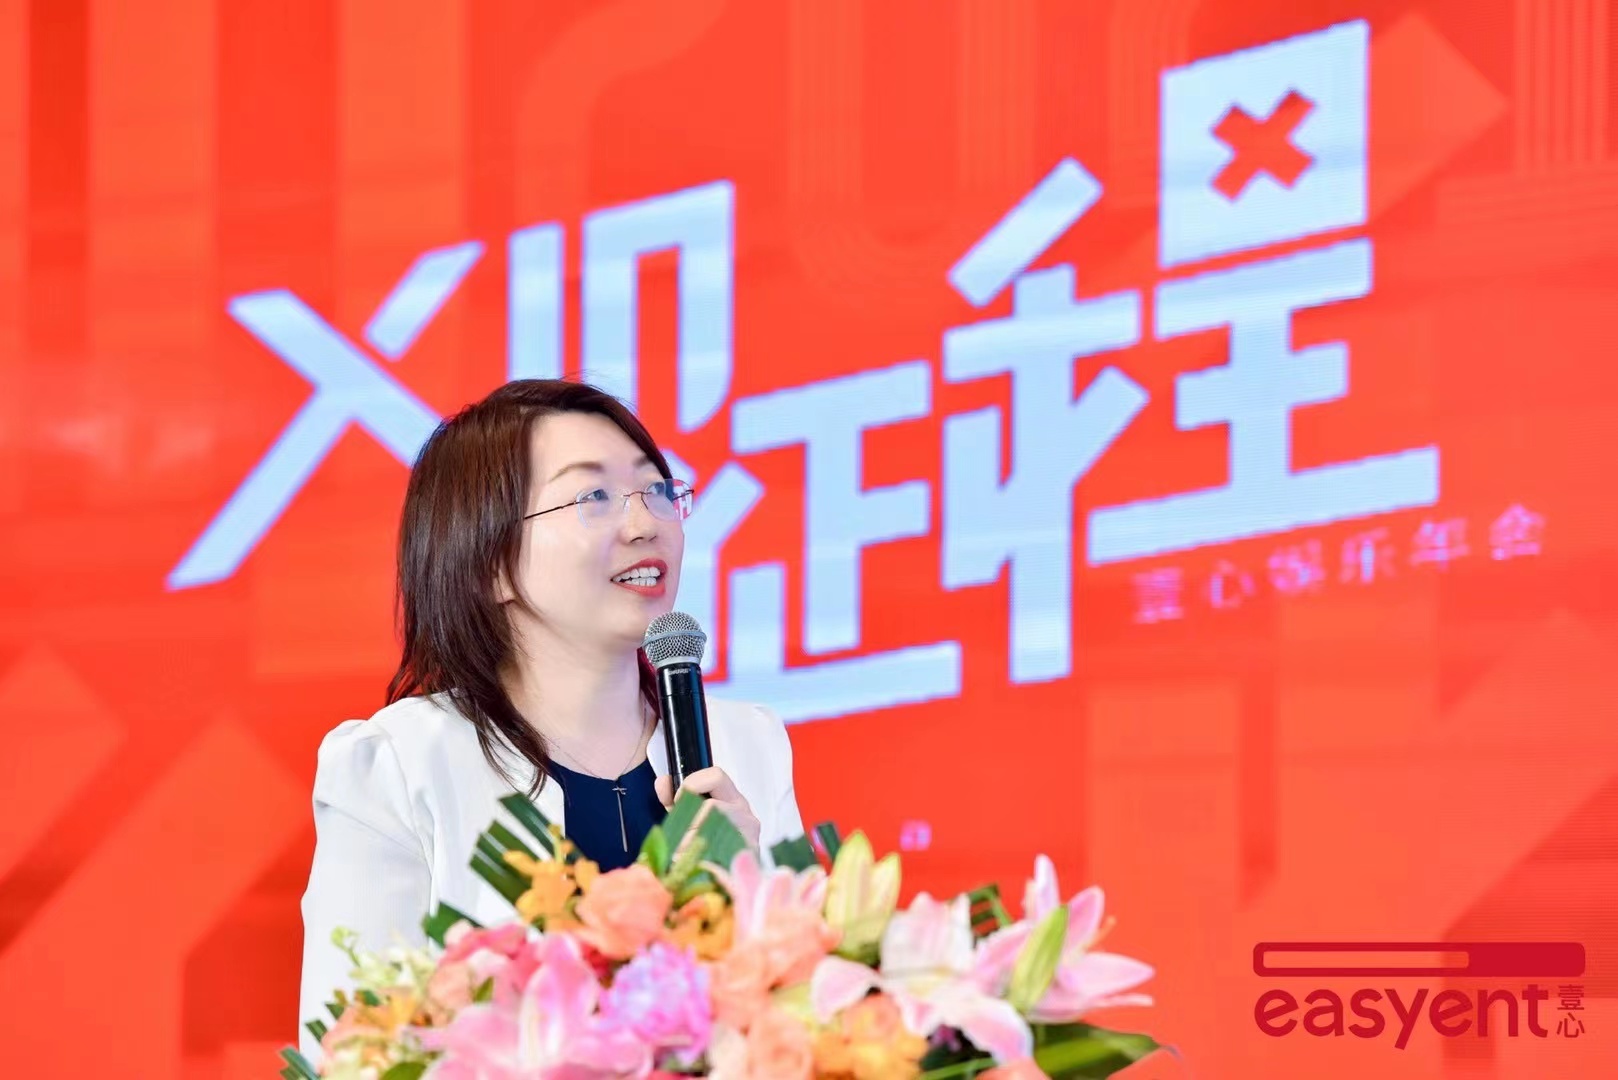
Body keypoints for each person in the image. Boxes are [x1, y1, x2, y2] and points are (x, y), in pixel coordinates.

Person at [296, 379, 804, 1061]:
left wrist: (750, 889)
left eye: (657, 490)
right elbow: (351, 1055)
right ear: (489, 564)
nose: (644, 523)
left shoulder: (749, 745)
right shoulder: (400, 766)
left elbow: (816, 1021)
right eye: (594, 497)